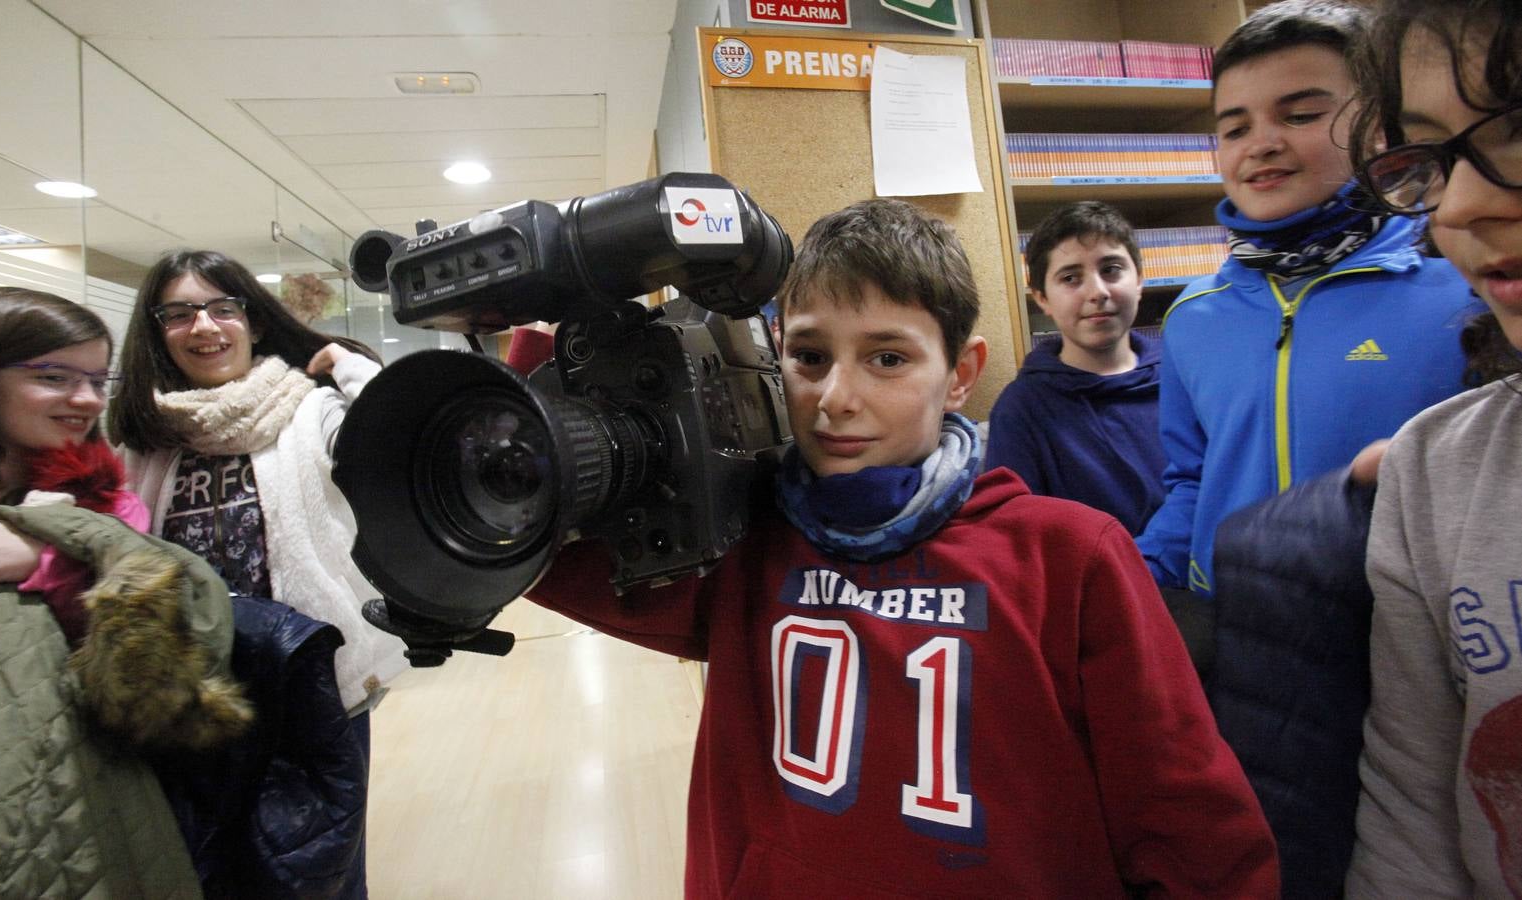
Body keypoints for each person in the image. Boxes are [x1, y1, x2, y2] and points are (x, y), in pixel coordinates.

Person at [525, 199, 1279, 896]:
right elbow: (527, 537)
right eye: (810, 356)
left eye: (887, 358)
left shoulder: (1068, 558)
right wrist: (549, 318)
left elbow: (1190, 831)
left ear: (960, 375)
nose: (835, 398)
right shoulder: (738, 546)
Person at [1134, 0, 1476, 597]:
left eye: (1300, 115)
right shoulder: (1192, 315)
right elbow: (1193, 480)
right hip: (1241, 631)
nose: (1260, 144)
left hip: (1412, 628)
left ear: (1377, 126)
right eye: (1235, 128)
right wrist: (1130, 583)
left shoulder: (1463, 287)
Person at [106, 250, 408, 895]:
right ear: (157, 331)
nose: (205, 327)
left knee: (321, 869)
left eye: (222, 308)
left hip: (313, 684)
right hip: (191, 691)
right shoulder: (149, 438)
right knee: (209, 866)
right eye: (180, 314)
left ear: (255, 321)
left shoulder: (311, 411)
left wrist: (352, 367)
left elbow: (397, 436)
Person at [0, 286, 252, 898]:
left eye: (98, 380)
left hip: (93, 776)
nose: (84, 399)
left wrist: (53, 552)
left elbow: (173, 647)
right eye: (53, 376)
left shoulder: (103, 495)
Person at [1342, 1, 1522, 894]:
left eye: (1518, 125)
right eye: (1431, 160)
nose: (1459, 204)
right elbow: (1411, 814)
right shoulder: (1433, 469)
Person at [984, 200, 1165, 534]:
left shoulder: (1183, 381)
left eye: (1111, 270)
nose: (1097, 292)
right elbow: (1017, 535)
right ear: (1042, 298)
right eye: (1070, 277)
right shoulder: (1021, 410)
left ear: (1139, 279)